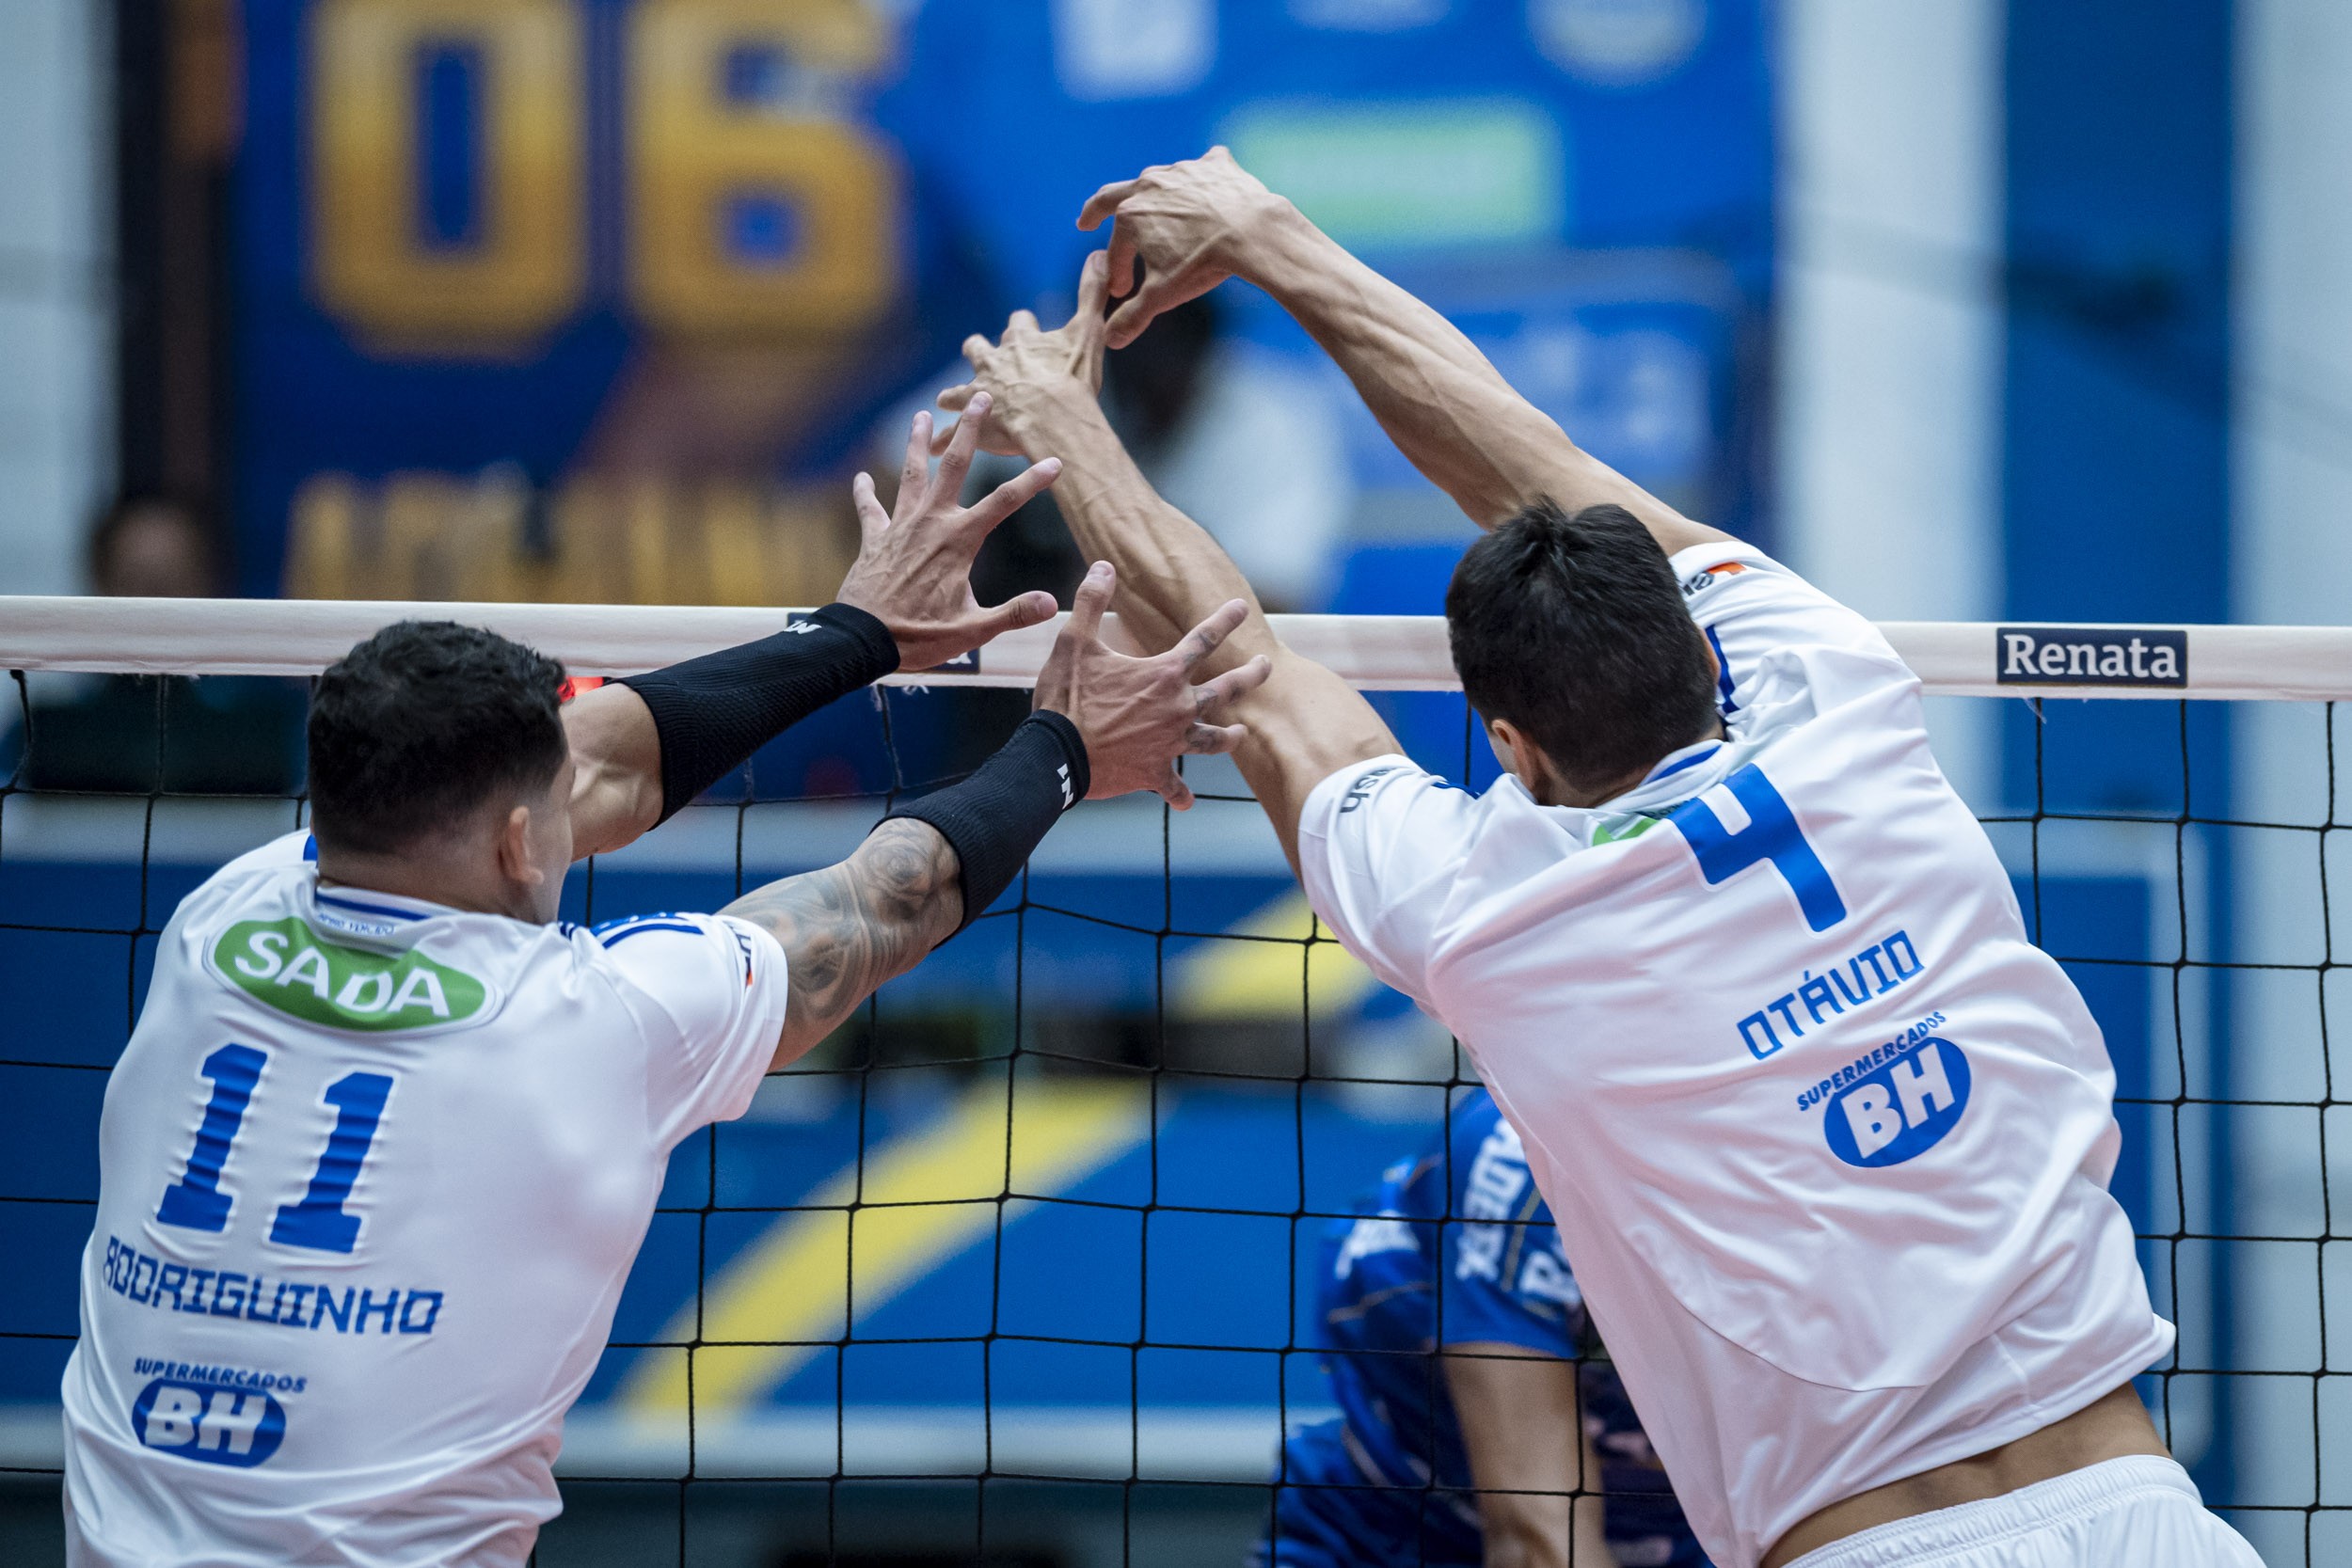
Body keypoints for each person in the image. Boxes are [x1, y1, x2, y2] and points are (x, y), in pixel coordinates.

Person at [939, 151, 2263, 1568]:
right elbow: (1552, 477)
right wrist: (1270, 235)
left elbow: (1246, 672)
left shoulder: (1493, 915)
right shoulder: (1842, 692)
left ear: (1510, 745)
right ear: (1705, 649)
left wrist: (1062, 427)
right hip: (2154, 1515)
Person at [58, 401, 1272, 1567]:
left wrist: (854, 632)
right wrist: (1064, 748)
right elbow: (882, 902)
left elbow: (589, 763)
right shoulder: (590, 1024)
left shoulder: (221, 918)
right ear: (521, 843)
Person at [1262, 1087, 1704, 1568]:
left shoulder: (1788, 1155)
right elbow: (1538, 1548)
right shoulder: (1525, 1149)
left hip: (1694, 1532)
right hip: (1401, 1525)